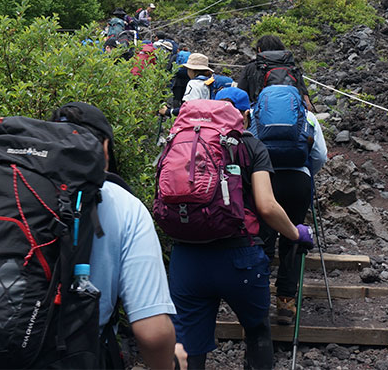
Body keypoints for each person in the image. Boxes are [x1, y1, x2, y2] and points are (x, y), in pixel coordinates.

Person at [166, 89, 314, 370]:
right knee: (257, 331)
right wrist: (296, 234)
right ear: (246, 115)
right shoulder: (251, 145)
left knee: (189, 344)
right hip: (239, 257)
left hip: (186, 258)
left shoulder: (179, 140)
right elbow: (267, 206)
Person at [51, 102, 177, 370]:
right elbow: (153, 332)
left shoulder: (10, 189)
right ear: (106, 148)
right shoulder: (125, 205)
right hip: (80, 357)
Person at [257, 107, 327, 326]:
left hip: (265, 179)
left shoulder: (256, 112)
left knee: (263, 238)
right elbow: (320, 155)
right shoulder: (307, 116)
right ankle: (286, 303)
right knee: (295, 235)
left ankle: (258, 299)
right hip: (299, 181)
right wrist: (307, 173)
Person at [237, 35, 314, 111]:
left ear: (259, 50)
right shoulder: (292, 68)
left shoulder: (251, 68)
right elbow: (306, 100)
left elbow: (240, 95)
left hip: (260, 114)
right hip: (292, 114)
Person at [159, 53, 214, 117]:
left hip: (196, 119)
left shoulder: (194, 83)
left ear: (192, 70)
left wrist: (168, 112)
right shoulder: (210, 81)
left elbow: (188, 108)